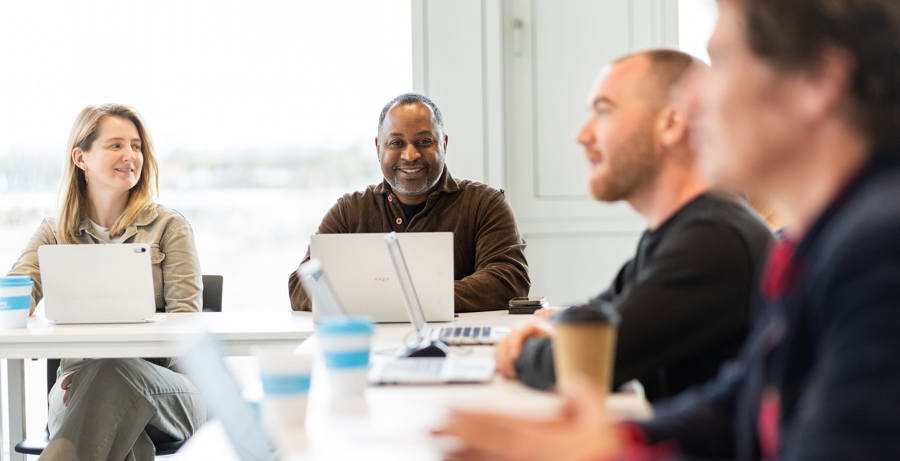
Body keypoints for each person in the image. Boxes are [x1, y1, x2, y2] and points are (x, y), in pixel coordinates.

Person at [437, 0, 900, 459]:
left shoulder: (878, 250)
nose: (693, 101)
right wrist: (629, 439)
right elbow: (739, 402)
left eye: (720, 63)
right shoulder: (817, 244)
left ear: (817, 80)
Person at [496, 49, 772, 402]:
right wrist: (550, 327)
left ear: (670, 124)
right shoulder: (678, 231)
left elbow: (583, 366)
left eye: (603, 110)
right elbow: (596, 314)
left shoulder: (713, 241)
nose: (582, 135)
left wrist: (524, 349)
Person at [7, 104, 206, 461]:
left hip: (168, 391)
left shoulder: (169, 228)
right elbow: (14, 299)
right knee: (122, 431)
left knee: (111, 375)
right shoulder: (54, 231)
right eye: (116, 145)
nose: (130, 155)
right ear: (81, 157)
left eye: (136, 145)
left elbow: (185, 329)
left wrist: (105, 369)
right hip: (76, 389)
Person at [288, 93, 530, 313]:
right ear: (378, 147)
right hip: (371, 345)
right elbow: (302, 286)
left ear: (443, 144)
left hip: (456, 344)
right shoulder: (349, 211)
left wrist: (384, 298)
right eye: (396, 143)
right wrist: (421, 298)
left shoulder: (485, 204)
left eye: (424, 142)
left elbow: (507, 280)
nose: (410, 155)